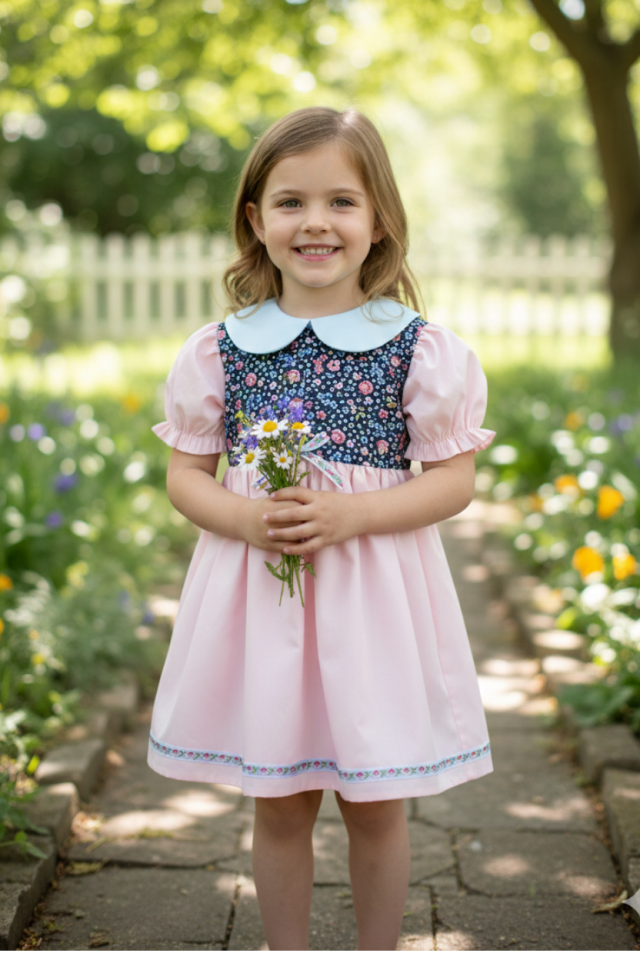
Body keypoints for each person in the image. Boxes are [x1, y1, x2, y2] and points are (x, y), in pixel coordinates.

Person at [148, 106, 496, 951]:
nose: (315, 222)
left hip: (372, 603)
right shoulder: (221, 349)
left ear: (378, 222)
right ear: (255, 220)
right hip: (264, 605)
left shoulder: (415, 348)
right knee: (281, 802)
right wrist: (245, 517)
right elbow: (185, 476)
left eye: (342, 201)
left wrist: (354, 513)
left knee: (377, 802)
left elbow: (453, 482)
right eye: (291, 202)